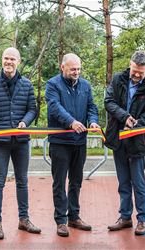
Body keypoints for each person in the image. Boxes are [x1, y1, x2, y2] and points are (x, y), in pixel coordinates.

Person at [0, 47, 40, 240]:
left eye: (12, 59)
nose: (9, 62)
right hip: (0, 141)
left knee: (22, 181)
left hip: (21, 141)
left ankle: (24, 219)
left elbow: (32, 109)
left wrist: (25, 122)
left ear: (18, 61)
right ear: (2, 60)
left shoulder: (27, 85)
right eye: (6, 58)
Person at [104, 51, 145, 236]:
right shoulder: (118, 79)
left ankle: (142, 219)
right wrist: (125, 117)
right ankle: (125, 217)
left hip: (137, 140)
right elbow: (108, 102)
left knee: (139, 182)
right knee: (123, 181)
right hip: (118, 138)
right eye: (134, 71)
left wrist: (135, 126)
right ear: (130, 64)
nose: (136, 75)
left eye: (141, 73)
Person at [45, 53, 99, 237]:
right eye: (72, 69)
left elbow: (91, 106)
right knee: (59, 182)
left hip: (79, 142)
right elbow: (54, 107)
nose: (76, 72)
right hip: (60, 142)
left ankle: (74, 216)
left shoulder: (85, 85)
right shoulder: (53, 85)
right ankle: (60, 220)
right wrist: (71, 122)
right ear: (63, 68)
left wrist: (92, 121)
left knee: (76, 181)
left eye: (78, 69)